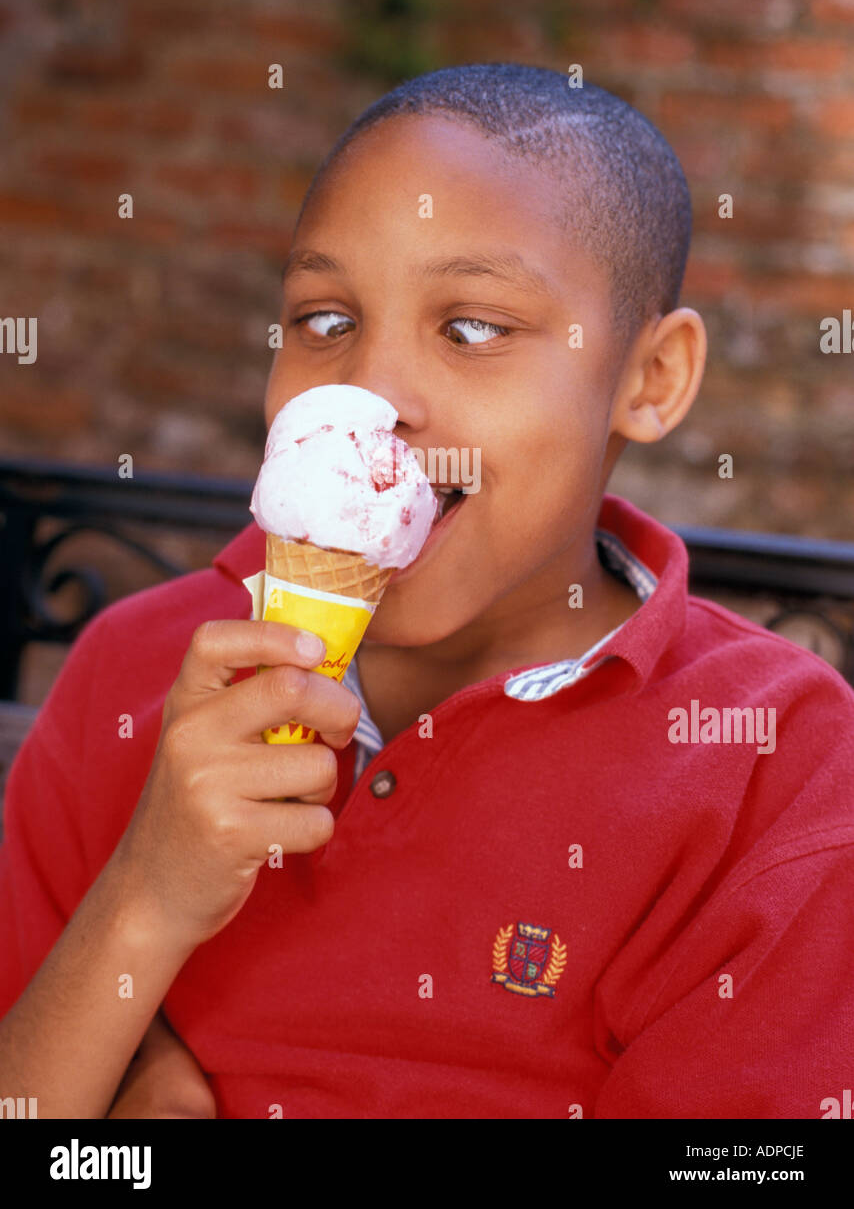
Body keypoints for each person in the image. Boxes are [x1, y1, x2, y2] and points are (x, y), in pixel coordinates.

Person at [1, 64, 852, 1119]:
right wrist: (142, 898)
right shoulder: (136, 670)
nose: (375, 395)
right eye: (323, 320)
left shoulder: (773, 760)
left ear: (650, 378)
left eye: (474, 329)